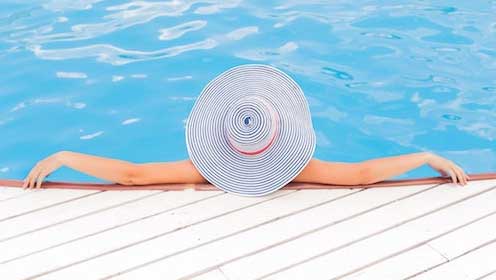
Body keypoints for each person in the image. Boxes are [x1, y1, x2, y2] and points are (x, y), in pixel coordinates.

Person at [22, 150, 469, 190]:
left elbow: (133, 175)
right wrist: (424, 157)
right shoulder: (294, 169)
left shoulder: (208, 169)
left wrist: (66, 157)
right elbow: (360, 174)